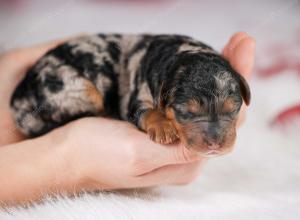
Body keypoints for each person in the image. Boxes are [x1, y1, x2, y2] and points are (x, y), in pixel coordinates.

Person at [0, 32, 255, 206]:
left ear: (244, 94)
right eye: (190, 112)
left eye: (229, 110)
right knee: (87, 93)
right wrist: (68, 162)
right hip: (57, 85)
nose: (213, 136)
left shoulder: (185, 69)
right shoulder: (156, 82)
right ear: (163, 96)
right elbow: (136, 105)